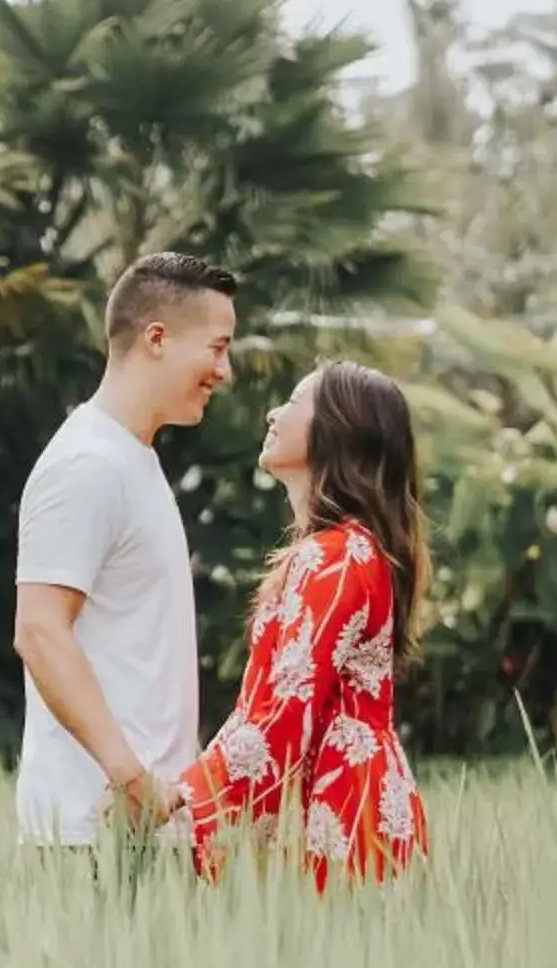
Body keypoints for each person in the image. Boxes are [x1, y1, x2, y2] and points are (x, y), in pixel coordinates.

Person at [12, 253, 239, 847]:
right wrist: (130, 776)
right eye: (217, 348)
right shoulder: (87, 464)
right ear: (156, 338)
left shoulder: (132, 459)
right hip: (91, 833)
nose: (225, 370)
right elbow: (39, 631)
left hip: (142, 829)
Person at [178, 361, 430, 888]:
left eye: (293, 401)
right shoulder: (346, 552)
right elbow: (269, 705)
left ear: (336, 429)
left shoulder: (337, 558)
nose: (273, 412)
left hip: (338, 811)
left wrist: (183, 798)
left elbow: (287, 707)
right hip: (338, 802)